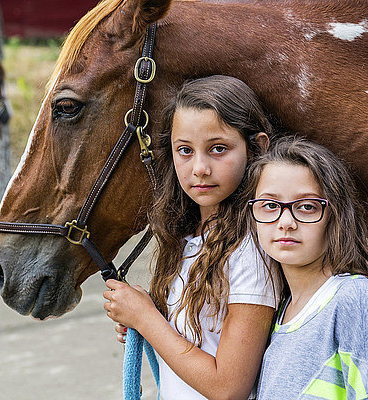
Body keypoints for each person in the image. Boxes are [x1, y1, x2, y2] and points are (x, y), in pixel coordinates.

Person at [103, 75, 280, 400]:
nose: (199, 167)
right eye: (185, 150)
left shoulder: (251, 250)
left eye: (218, 149)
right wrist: (150, 318)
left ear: (257, 146)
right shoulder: (188, 239)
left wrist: (147, 320)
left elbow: (228, 387)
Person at [243, 137, 368, 399]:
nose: (286, 222)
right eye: (270, 205)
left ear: (334, 216)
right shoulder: (278, 312)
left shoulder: (354, 299)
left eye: (306, 206)